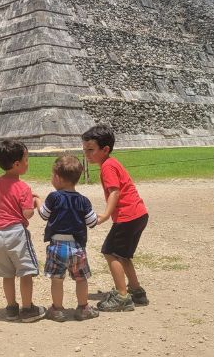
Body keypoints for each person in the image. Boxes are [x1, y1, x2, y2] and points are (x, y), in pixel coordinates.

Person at [82, 124, 149, 312]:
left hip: (128, 216)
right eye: (85, 150)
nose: (87, 154)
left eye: (90, 150)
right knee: (123, 255)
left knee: (110, 251)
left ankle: (122, 295)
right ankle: (136, 291)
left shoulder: (107, 167)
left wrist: (105, 215)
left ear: (105, 150)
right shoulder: (112, 163)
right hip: (139, 214)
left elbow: (114, 192)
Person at [33, 155, 100, 322]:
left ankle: (57, 309)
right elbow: (92, 222)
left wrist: (37, 201)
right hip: (77, 247)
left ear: (57, 177)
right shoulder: (83, 200)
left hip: (56, 246)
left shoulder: (54, 197)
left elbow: (44, 215)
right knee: (81, 279)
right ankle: (83, 308)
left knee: (57, 280)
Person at [0, 139, 47, 322]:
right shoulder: (24, 187)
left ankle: (11, 309)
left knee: (7, 274)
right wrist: (35, 201)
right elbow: (27, 213)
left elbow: (8, 198)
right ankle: (28, 309)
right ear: (17, 164)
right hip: (17, 233)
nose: (27, 163)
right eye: (26, 160)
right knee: (25, 272)